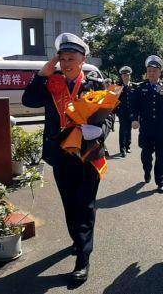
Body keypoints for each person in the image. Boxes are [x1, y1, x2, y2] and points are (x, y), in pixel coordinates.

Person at [21, 32, 114, 282]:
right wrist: (43, 72)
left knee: (85, 205)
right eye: (62, 58)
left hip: (88, 154)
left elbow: (109, 115)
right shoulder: (52, 83)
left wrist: (100, 130)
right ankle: (77, 239)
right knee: (70, 205)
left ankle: (83, 258)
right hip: (60, 155)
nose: (67, 62)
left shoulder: (94, 83)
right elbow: (28, 100)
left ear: (83, 59)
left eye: (72, 57)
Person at [131, 55, 163, 193]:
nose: (151, 73)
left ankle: (160, 182)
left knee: (162, 156)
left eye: (154, 70)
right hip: (146, 128)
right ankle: (147, 171)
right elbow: (134, 106)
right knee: (146, 155)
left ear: (160, 72)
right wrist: (134, 119)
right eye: (149, 70)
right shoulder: (140, 88)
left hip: (161, 128)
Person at [116, 66, 134, 157]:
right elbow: (114, 100)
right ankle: (122, 149)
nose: (125, 76)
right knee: (123, 129)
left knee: (129, 129)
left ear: (129, 76)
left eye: (127, 75)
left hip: (131, 111)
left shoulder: (133, 86)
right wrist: (116, 111)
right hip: (122, 112)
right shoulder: (118, 86)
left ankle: (127, 146)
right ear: (121, 76)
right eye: (123, 75)